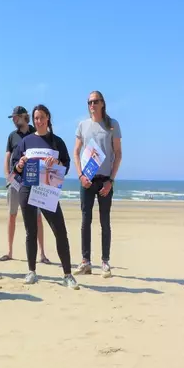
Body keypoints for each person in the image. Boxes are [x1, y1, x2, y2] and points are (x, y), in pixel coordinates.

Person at [11, 104, 80, 289]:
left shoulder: (56, 142)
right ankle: (32, 271)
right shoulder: (26, 142)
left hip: (48, 190)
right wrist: (20, 164)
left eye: (41, 117)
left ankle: (67, 274)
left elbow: (65, 167)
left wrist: (56, 161)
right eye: (35, 118)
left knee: (60, 231)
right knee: (30, 231)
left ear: (48, 118)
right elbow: (15, 166)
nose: (38, 121)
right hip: (27, 188)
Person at [73, 91, 123, 278]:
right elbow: (76, 152)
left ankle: (105, 262)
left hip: (104, 181)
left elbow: (118, 154)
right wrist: (80, 176)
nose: (92, 105)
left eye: (95, 101)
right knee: (85, 221)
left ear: (102, 103)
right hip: (86, 180)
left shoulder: (112, 125)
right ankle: (86, 261)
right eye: (89, 102)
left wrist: (111, 180)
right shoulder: (82, 125)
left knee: (105, 222)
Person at [1, 106, 49, 263]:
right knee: (12, 214)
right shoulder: (11, 136)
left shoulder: (35, 132)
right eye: (13, 118)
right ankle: (9, 251)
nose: (14, 120)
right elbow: (7, 157)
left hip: (33, 180)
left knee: (37, 218)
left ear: (23, 117)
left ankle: (42, 253)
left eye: (16, 117)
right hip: (15, 181)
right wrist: (8, 177)